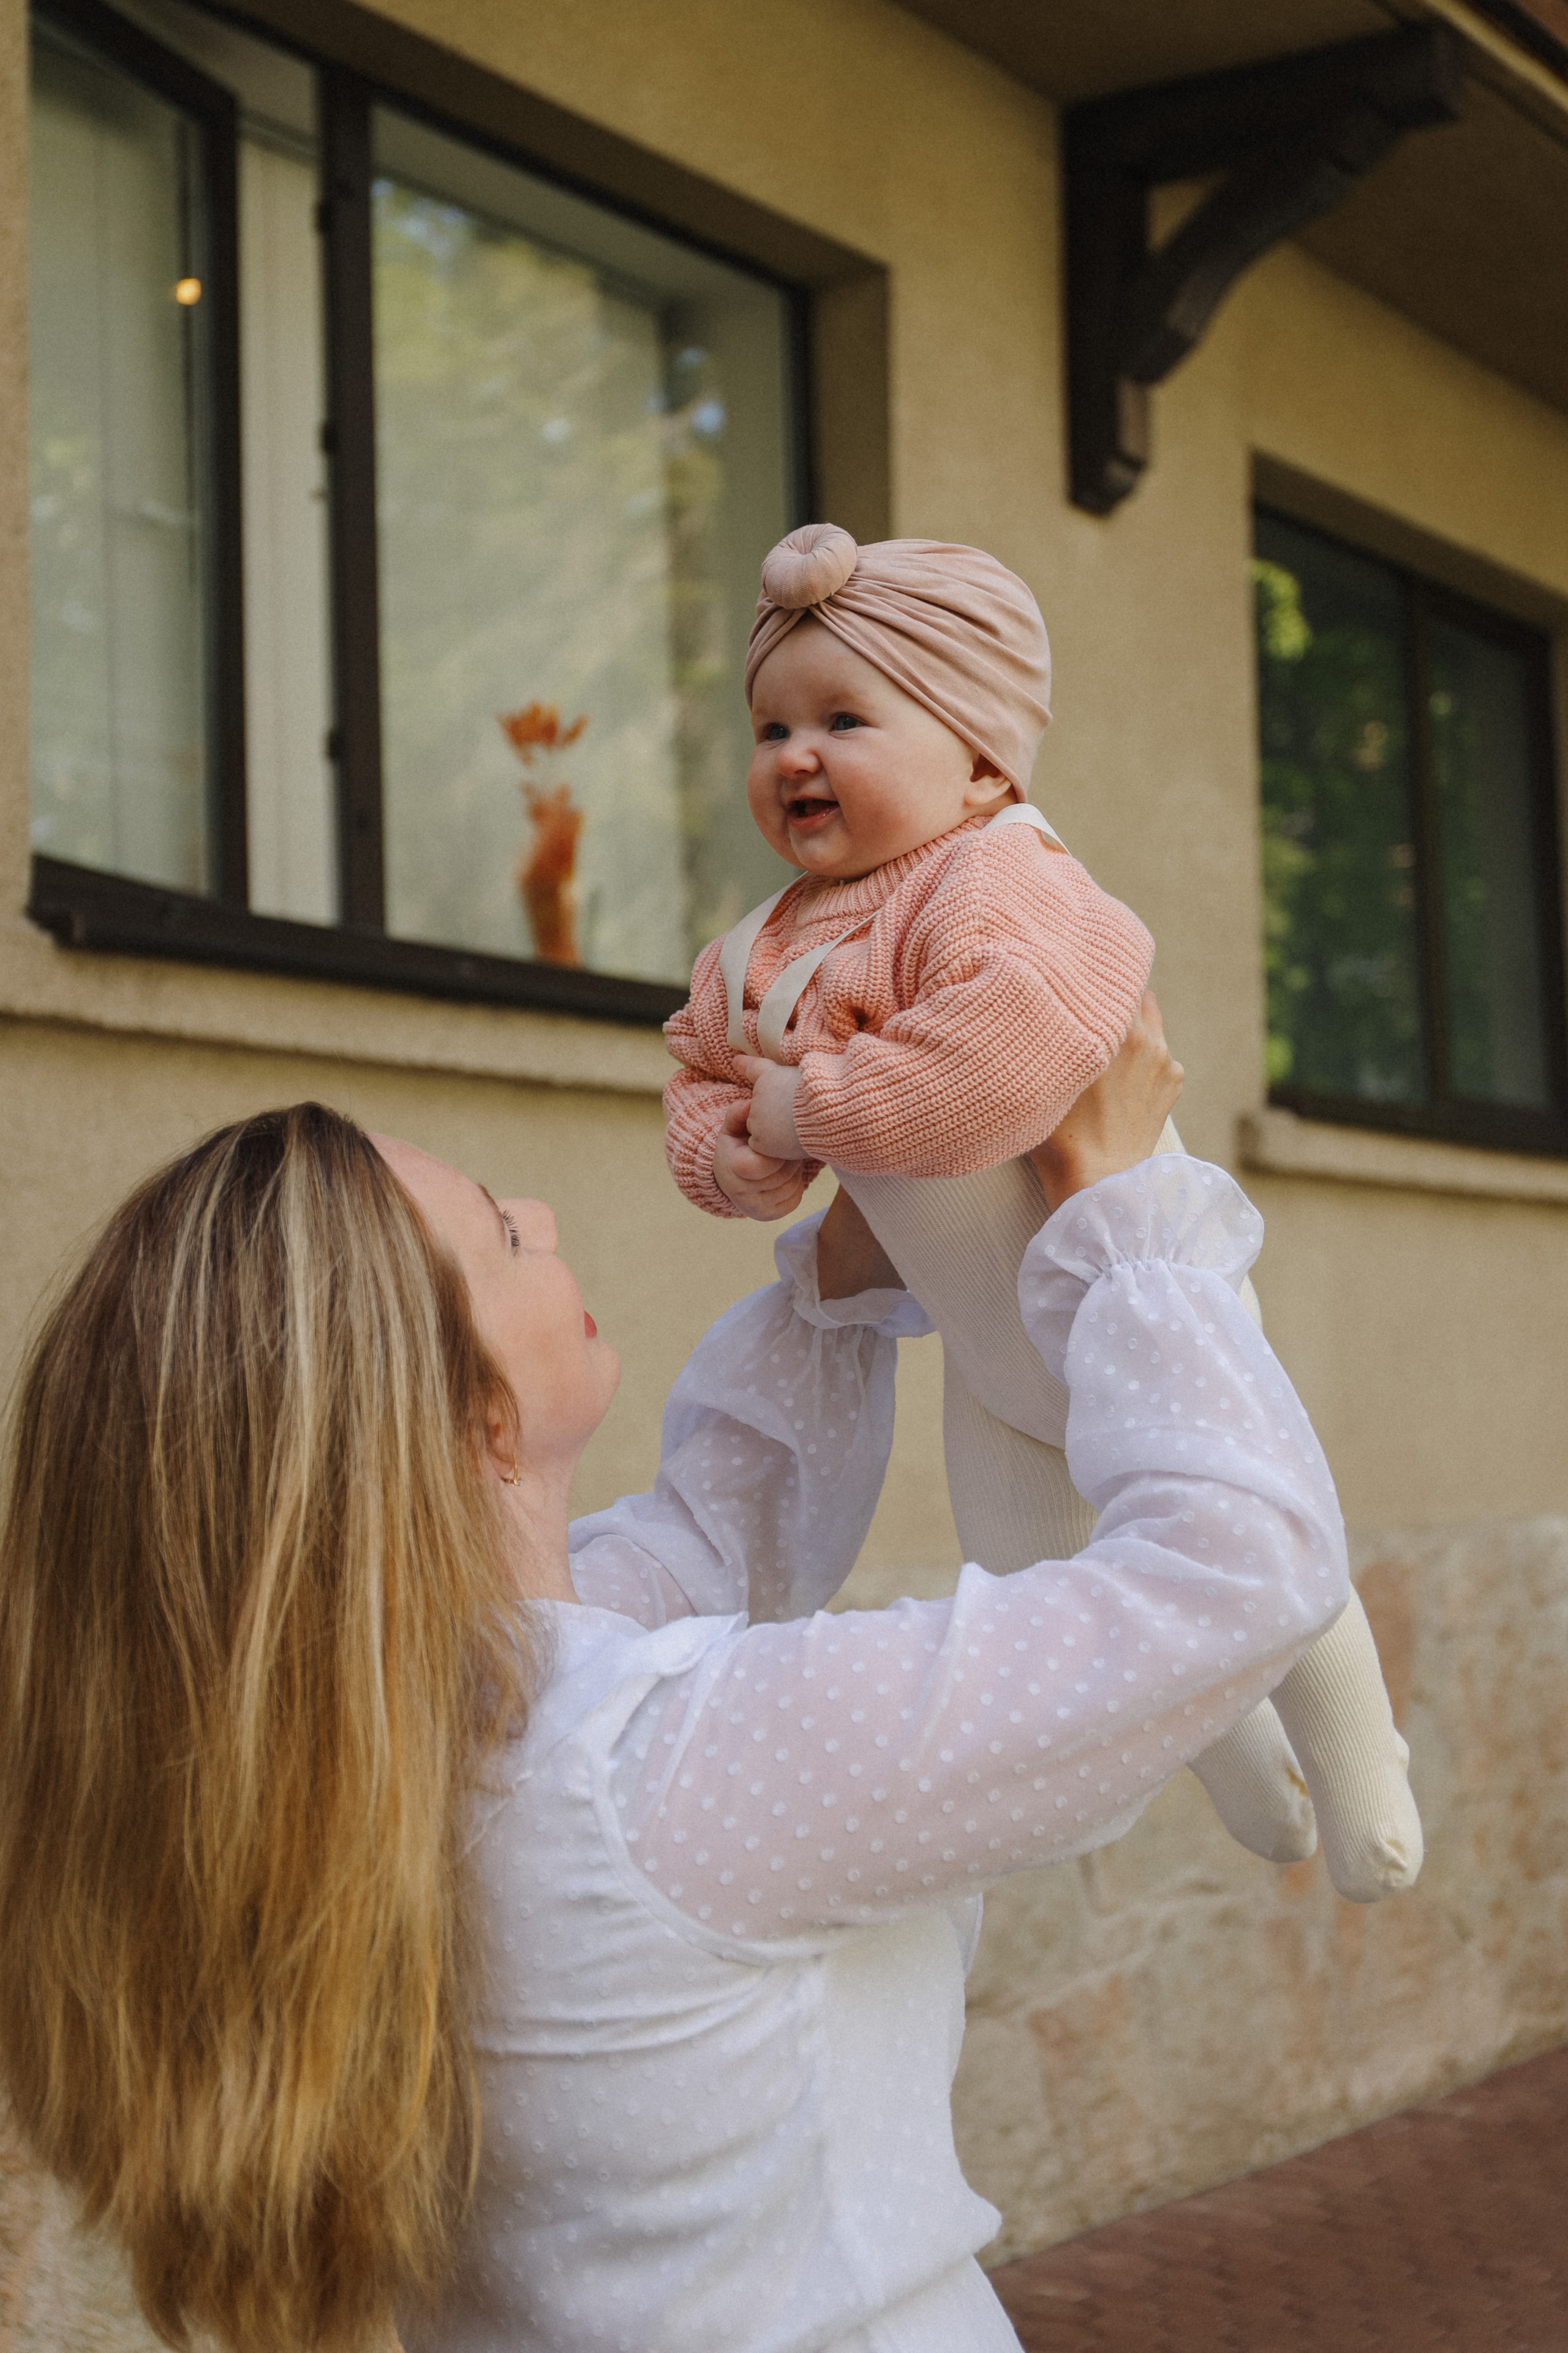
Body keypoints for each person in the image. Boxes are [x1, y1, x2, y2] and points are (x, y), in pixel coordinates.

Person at [1, 1006, 1348, 2353]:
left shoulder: (380, 1750)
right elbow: (1238, 1576)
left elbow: (707, 1543)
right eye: (502, 1233)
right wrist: (1123, 1222)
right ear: (472, 1417)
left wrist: (846, 1269)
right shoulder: (659, 1772)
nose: (536, 1207)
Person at [662, 521, 1422, 1907]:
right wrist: (734, 1157)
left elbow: (991, 1072)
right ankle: (1228, 1749)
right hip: (989, 1349)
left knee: (1255, 1516)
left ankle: (1357, 1759)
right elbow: (699, 1081)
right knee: (1035, 1580)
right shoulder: (758, 947)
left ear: (983, 761)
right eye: (770, 725)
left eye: (844, 717)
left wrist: (796, 1112)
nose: (795, 756)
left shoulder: (999, 874)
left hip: (1134, 1281)